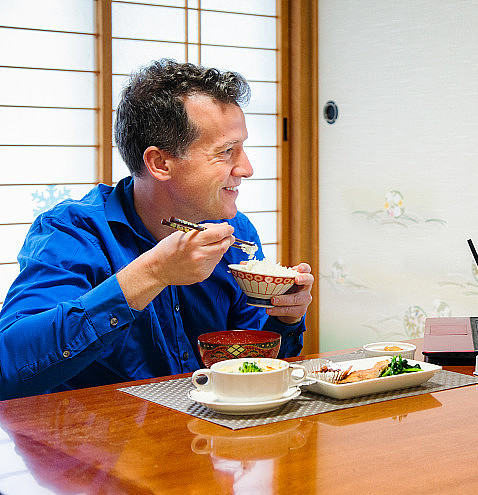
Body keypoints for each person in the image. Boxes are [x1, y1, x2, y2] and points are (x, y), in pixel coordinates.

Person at [0, 59, 313, 400]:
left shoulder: (234, 232)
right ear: (160, 163)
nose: (247, 168)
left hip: (202, 439)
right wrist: (152, 273)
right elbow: (10, 367)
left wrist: (286, 319)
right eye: (226, 152)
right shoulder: (73, 232)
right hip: (94, 448)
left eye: (242, 148)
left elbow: (249, 370)